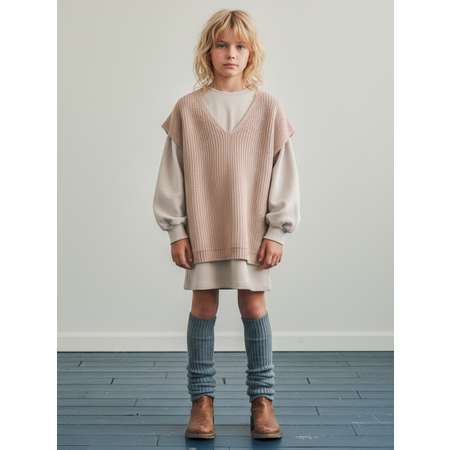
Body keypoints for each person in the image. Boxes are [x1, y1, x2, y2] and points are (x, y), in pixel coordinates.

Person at [153, 9, 301, 440]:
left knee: (254, 308)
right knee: (203, 308)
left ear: (251, 53)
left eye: (239, 45)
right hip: (204, 230)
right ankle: (201, 401)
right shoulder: (188, 109)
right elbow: (171, 175)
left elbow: (284, 175)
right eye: (221, 45)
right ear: (208, 51)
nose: (230, 53)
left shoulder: (269, 109)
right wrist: (177, 230)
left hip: (251, 234)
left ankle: (262, 401)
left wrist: (277, 231)